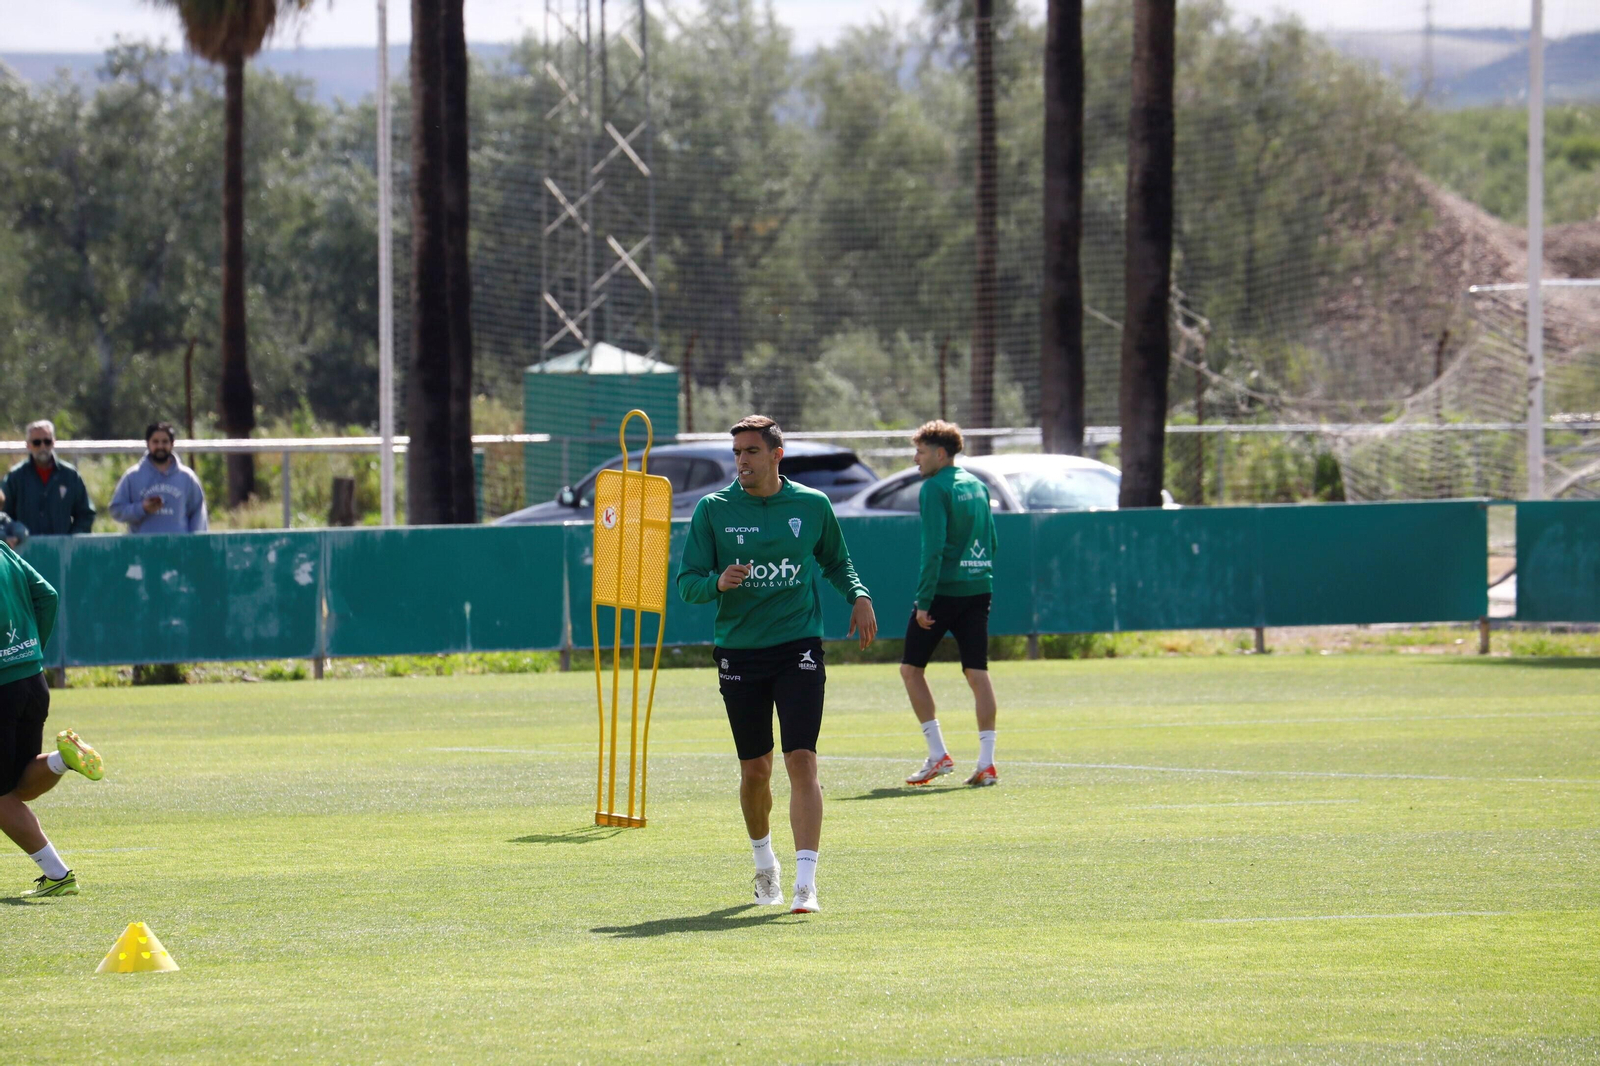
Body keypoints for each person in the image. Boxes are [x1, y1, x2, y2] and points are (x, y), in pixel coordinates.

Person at [677, 415, 877, 915]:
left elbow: (836, 560)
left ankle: (806, 884)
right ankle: (765, 865)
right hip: (740, 651)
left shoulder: (812, 505)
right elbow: (687, 583)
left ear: (775, 455)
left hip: (799, 646)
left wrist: (858, 594)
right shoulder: (713, 509)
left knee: (802, 760)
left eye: (750, 452)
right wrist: (717, 583)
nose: (741, 461)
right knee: (755, 771)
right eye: (737, 453)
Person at [899, 420, 1001, 788]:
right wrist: (981, 576)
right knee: (977, 673)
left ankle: (938, 753)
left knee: (911, 670)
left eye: (921, 452)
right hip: (979, 588)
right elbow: (991, 540)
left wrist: (925, 602)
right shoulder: (977, 485)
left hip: (943, 592)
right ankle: (986, 764)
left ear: (940, 454)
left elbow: (934, 548)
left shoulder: (934, 488)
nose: (916, 459)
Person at [0, 539, 104, 898]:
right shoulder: (3, 550)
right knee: (18, 785)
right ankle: (63, 760)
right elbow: (48, 596)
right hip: (32, 680)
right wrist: (31, 653)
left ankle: (58, 875)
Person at [109, 422, 208, 534]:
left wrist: (195, 544)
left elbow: (198, 515)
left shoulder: (187, 477)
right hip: (142, 547)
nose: (160, 446)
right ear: (148, 444)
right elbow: (116, 510)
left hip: (178, 547)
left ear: (172, 444)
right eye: (155, 442)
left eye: (165, 442)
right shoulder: (132, 476)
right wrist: (141, 508)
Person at [1, 420, 95, 536]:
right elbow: (3, 515)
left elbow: (85, 514)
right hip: (23, 549)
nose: (43, 447)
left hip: (62, 551)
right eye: (37, 442)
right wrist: (14, 535)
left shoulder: (70, 476)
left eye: (47, 441)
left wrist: (72, 540)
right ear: (28, 445)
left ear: (54, 442)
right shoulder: (15, 477)